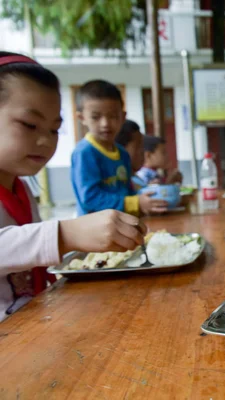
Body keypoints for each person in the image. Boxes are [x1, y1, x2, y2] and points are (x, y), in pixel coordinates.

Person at [0, 52, 146, 320]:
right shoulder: (85, 153)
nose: (45, 140)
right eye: (30, 125)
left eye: (54, 129)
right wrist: (64, 235)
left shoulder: (21, 190)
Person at [70, 80, 167, 216]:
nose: (105, 124)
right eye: (96, 117)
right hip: (94, 231)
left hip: (121, 225)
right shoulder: (85, 153)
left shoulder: (122, 153)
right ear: (82, 118)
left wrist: (147, 201)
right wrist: (136, 203)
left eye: (113, 116)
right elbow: (90, 198)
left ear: (123, 117)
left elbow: (128, 191)